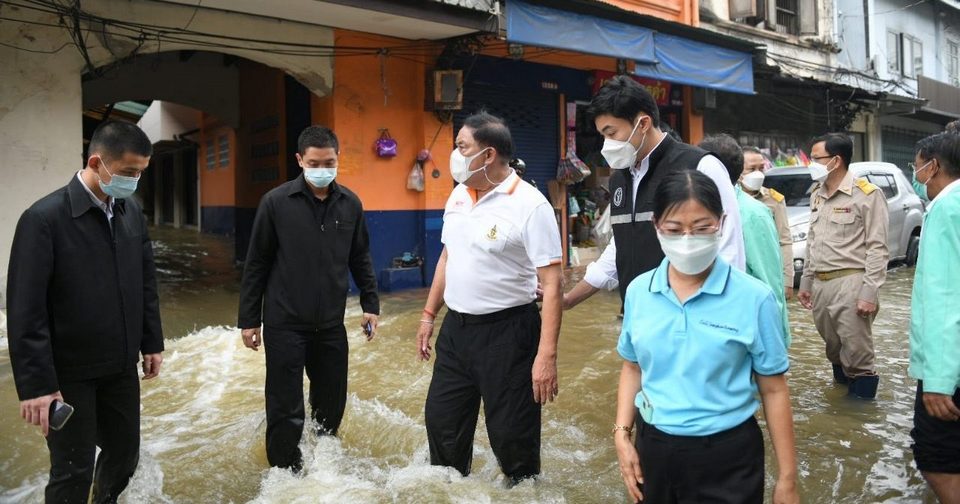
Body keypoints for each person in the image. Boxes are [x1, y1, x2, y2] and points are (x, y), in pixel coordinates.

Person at [614, 170, 798, 504]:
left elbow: (773, 389)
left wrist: (787, 478)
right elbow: (632, 367)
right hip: (654, 449)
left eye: (702, 228)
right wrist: (622, 434)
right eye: (674, 229)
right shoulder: (640, 291)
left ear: (722, 223)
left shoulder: (754, 298)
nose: (688, 239)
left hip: (728, 456)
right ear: (656, 225)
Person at [7, 120, 164, 502]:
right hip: (69, 373)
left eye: (141, 173)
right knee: (72, 471)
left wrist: (151, 342)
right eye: (128, 172)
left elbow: (144, 282)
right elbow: (25, 310)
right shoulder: (44, 219)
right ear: (97, 162)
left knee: (124, 456)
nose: (134, 181)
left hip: (119, 366)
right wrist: (38, 387)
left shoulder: (130, 212)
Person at [416, 111, 563, 483]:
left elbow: (553, 282)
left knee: (513, 437)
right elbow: (448, 257)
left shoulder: (531, 205)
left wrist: (546, 356)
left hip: (509, 333)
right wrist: (429, 315)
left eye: (462, 146)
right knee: (442, 422)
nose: (455, 153)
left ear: (488, 155)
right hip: (457, 331)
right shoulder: (458, 196)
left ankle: (522, 488)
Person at [238, 125, 379, 471]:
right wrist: (248, 319)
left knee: (331, 402)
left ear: (337, 158)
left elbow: (360, 257)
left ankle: (325, 469)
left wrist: (370, 305)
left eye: (329, 161)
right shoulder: (275, 203)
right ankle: (286, 476)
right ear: (300, 160)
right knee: (285, 407)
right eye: (314, 162)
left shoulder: (350, 204)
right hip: (284, 324)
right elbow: (257, 263)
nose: (322, 169)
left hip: (330, 324)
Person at [563, 76, 744, 310]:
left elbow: (729, 250)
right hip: (638, 317)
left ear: (643, 123)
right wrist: (569, 299)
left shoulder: (700, 166)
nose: (606, 144)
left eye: (611, 132)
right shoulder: (620, 178)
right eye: (603, 135)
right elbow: (620, 247)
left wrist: (716, 320)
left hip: (690, 316)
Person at [798, 133, 888, 399]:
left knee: (858, 354)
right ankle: (839, 409)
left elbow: (878, 248)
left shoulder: (867, 194)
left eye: (815, 158)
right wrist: (806, 282)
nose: (810, 163)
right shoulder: (818, 194)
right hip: (822, 285)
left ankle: (859, 418)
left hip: (851, 283)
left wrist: (869, 293)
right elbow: (814, 241)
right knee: (834, 350)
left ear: (835, 160)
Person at [908, 132, 960, 503]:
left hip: (949, 366)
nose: (916, 175)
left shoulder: (946, 208)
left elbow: (944, 295)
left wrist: (938, 379)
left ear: (933, 166)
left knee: (936, 457)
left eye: (916, 167)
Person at [699, 134, 791, 347]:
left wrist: (775, 342)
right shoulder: (702, 209)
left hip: (747, 329)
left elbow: (769, 282)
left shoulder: (751, 213)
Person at [742, 145, 795, 299]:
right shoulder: (728, 198)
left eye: (761, 168)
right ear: (738, 171)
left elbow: (784, 241)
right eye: (751, 169)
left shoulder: (774, 200)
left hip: (767, 272)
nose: (758, 173)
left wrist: (787, 281)